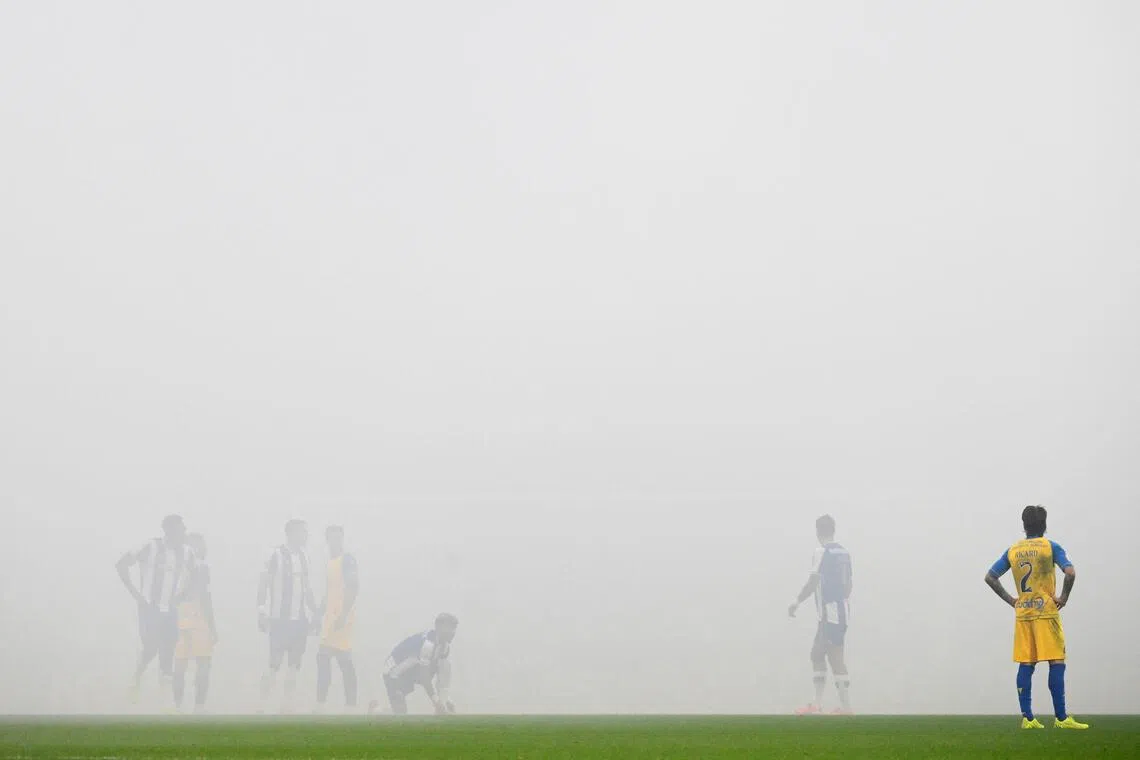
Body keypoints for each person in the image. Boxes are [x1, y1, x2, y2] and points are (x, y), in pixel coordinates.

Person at [984, 505, 1088, 729]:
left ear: (1024, 525)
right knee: (1056, 661)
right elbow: (1070, 572)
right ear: (1044, 524)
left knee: (1026, 663)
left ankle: (1027, 718)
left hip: (1024, 614)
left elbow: (990, 577)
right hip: (1046, 612)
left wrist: (1012, 600)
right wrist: (1064, 597)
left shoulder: (1013, 550)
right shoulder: (1050, 547)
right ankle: (1061, 718)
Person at [115, 514, 195, 704]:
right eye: (180, 529)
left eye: (184, 529)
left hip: (170, 608)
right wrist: (136, 595)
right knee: (152, 645)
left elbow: (194, 573)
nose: (183, 533)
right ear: (168, 531)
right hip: (149, 607)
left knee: (169, 647)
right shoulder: (150, 547)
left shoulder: (186, 552)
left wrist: (183, 594)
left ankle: (164, 697)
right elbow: (121, 564)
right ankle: (137, 677)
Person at [788, 514, 853, 716]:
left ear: (818, 532)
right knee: (817, 653)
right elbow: (849, 584)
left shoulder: (821, 551)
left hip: (829, 612)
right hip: (841, 610)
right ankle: (818, 703)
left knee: (834, 655)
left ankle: (845, 707)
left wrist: (796, 601)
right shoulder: (844, 552)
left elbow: (813, 581)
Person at [257, 518, 318, 713]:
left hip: (299, 619)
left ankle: (287, 705)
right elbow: (263, 583)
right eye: (302, 532)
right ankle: (262, 704)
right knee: (274, 663)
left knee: (295, 664)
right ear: (291, 533)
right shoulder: (275, 555)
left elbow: (307, 588)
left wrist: (315, 612)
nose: (305, 536)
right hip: (279, 619)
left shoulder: (304, 557)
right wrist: (261, 610)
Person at [374, 613, 458, 715]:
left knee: (442, 666)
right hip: (393, 673)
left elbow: (440, 677)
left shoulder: (444, 647)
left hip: (410, 671)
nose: (453, 632)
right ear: (438, 627)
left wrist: (445, 700)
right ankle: (376, 710)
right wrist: (436, 702)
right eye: (449, 628)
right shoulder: (428, 644)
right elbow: (424, 677)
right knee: (400, 713)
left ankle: (380, 709)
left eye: (454, 628)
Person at [315, 525, 359, 711]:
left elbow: (353, 587)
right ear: (327, 540)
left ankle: (346, 706)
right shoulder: (330, 562)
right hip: (330, 618)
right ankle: (324, 704)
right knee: (327, 659)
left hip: (341, 618)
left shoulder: (347, 560)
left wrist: (343, 614)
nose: (335, 541)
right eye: (332, 538)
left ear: (342, 539)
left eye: (338, 538)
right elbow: (329, 592)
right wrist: (318, 613)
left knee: (339, 659)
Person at [173, 533, 217, 713]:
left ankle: (177, 706)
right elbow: (205, 596)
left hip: (178, 614)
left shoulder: (175, 565)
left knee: (179, 664)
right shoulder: (201, 566)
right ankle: (199, 707)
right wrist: (213, 627)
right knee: (203, 663)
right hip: (197, 613)